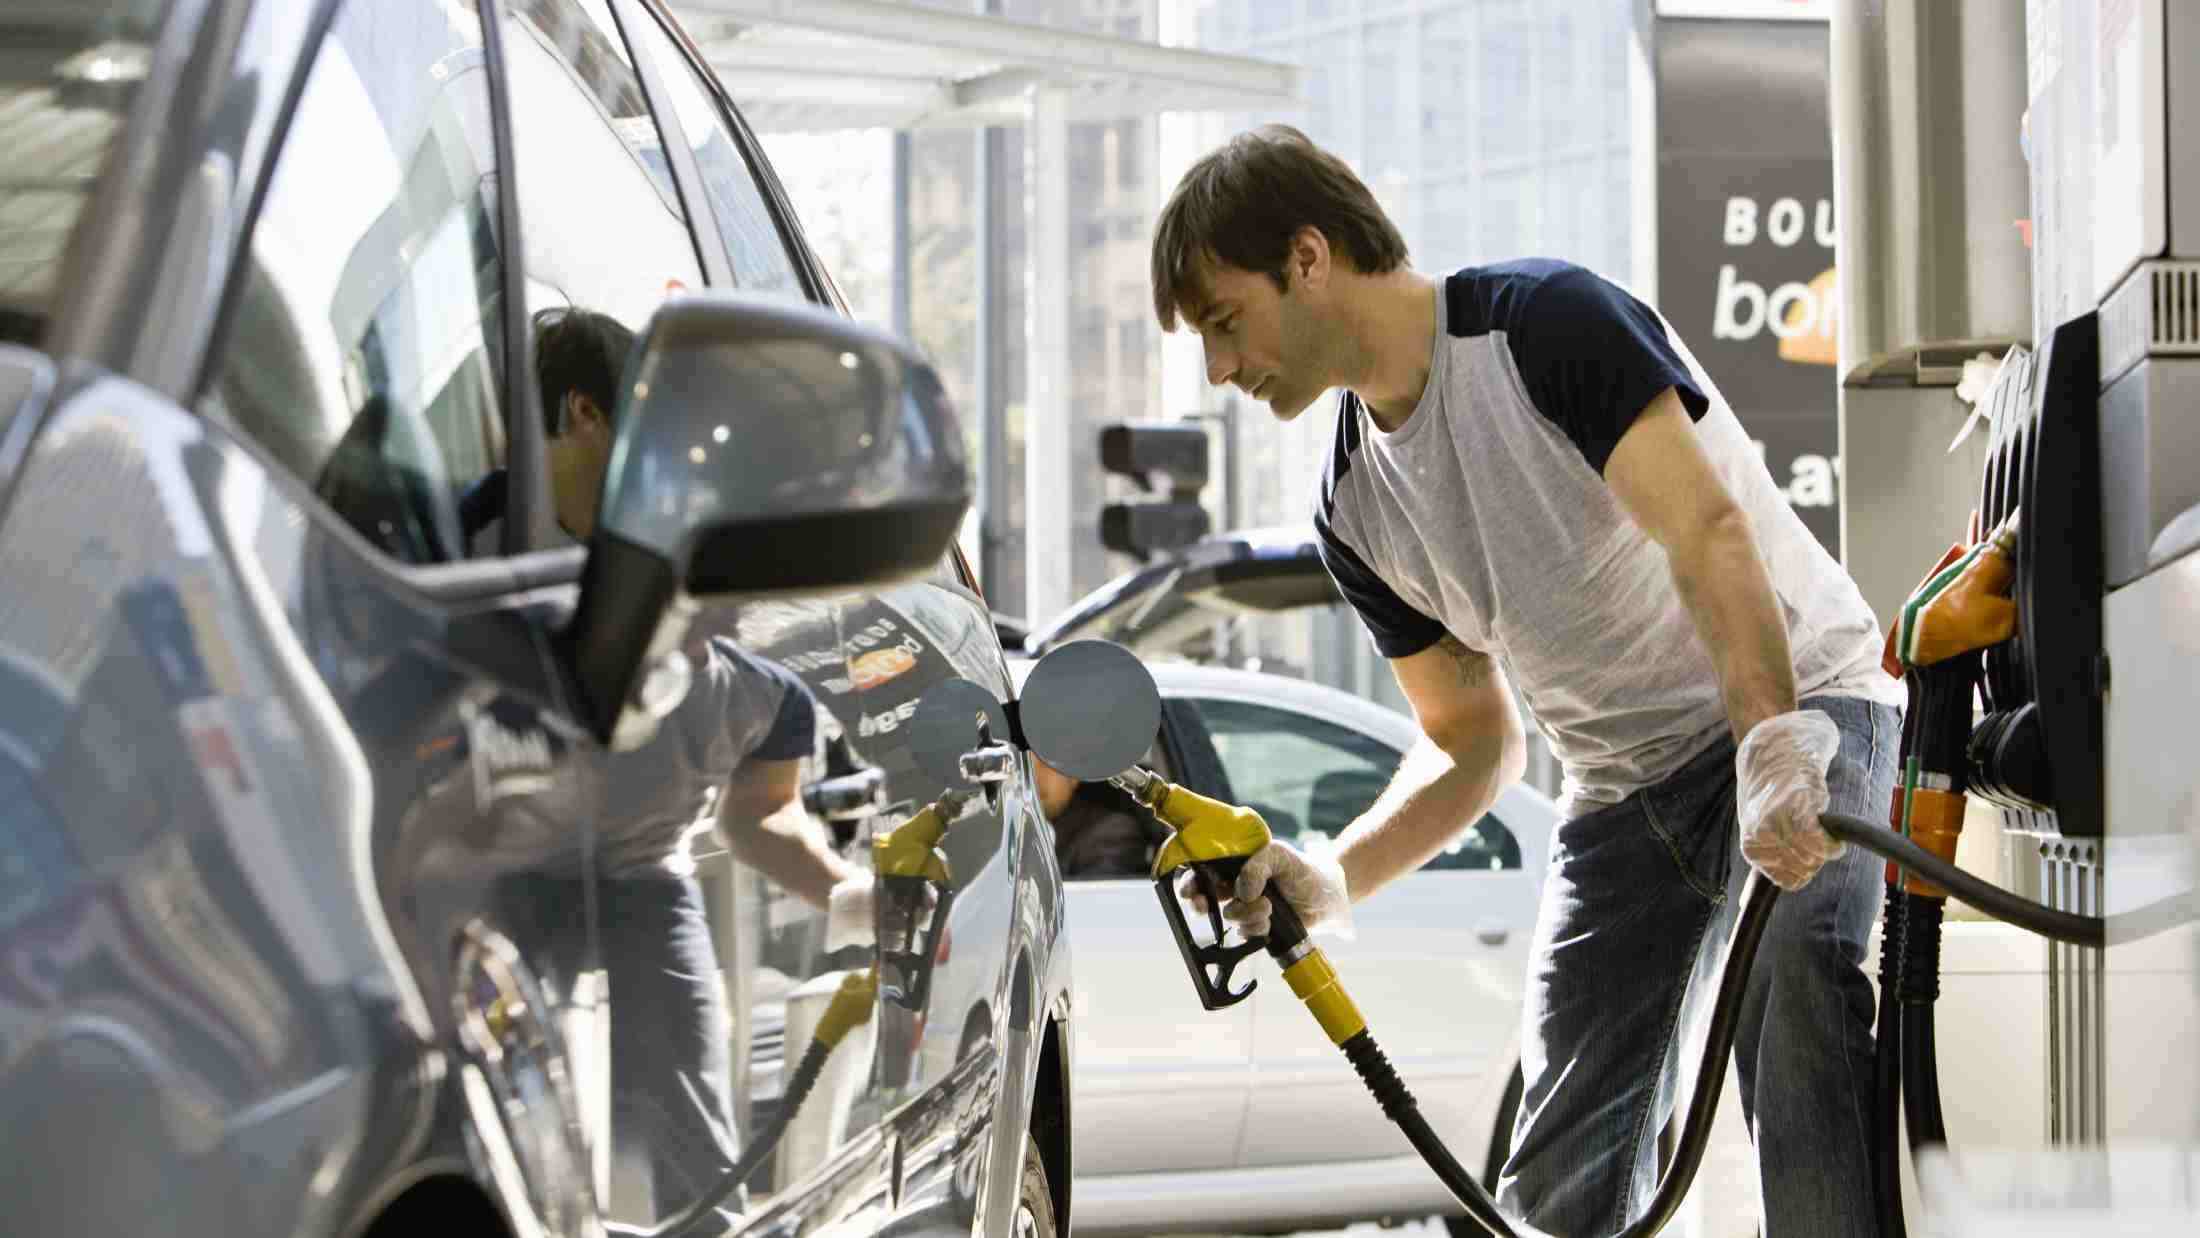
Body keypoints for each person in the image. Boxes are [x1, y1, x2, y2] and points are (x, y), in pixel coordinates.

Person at [1150, 125, 1903, 1237]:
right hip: (1620, 792)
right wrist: (1329, 874)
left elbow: (1705, 533)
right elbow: (1467, 738)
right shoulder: (1350, 507)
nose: (1220, 367)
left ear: (1307, 258)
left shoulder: (1542, 324)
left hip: (1801, 700)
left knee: (1793, 986)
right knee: (1560, 1165)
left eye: (1224, 321)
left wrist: (1773, 747)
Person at [479, 306, 873, 1221]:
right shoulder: (463, 546)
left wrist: (845, 893)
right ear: (582, 417)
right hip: (484, 878)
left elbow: (759, 814)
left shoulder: (745, 676)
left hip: (638, 881)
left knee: (696, 1148)